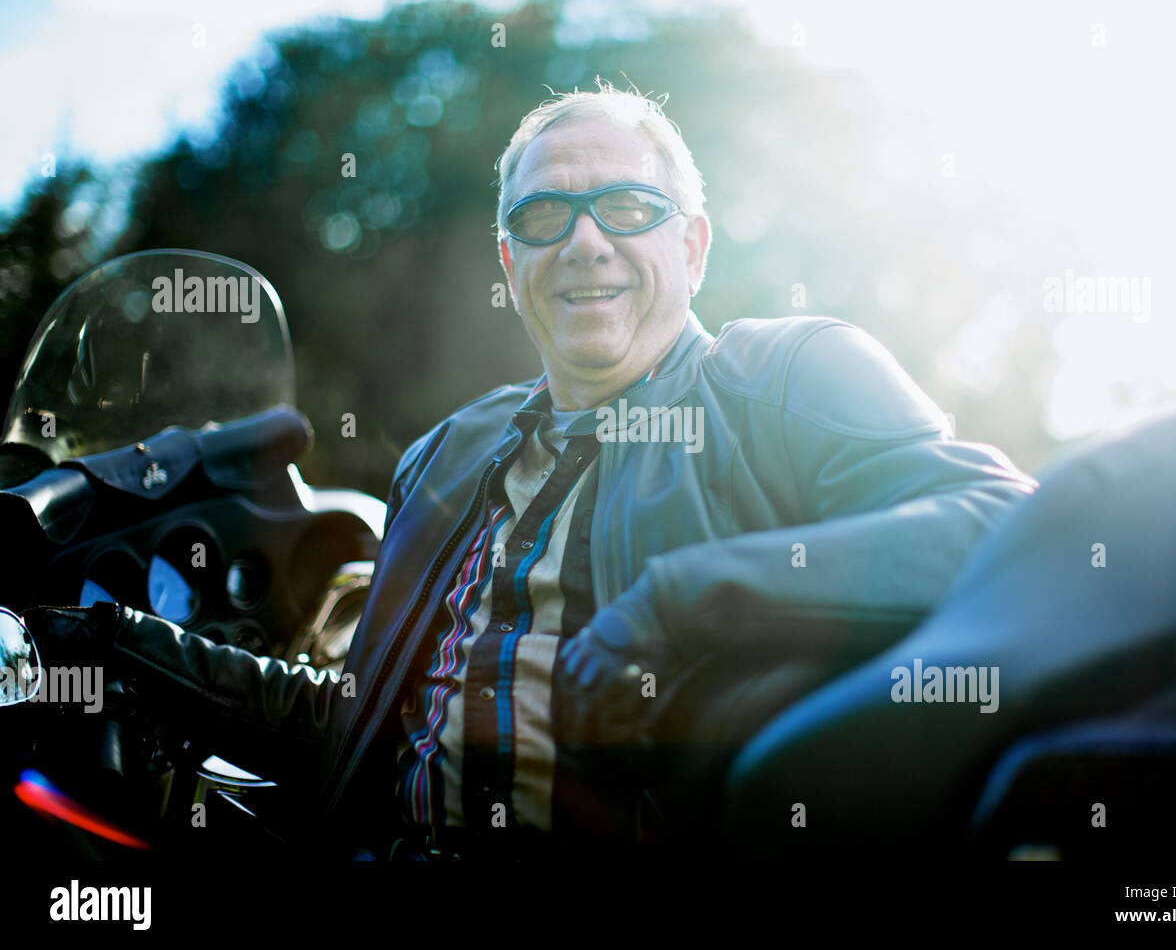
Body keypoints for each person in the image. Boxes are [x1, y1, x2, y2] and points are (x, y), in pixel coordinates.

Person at [25, 83, 1037, 859]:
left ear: (690, 245)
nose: (585, 240)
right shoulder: (451, 452)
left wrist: (693, 599)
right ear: (511, 268)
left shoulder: (783, 377)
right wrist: (113, 642)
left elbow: (1004, 530)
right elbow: (372, 720)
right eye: (544, 218)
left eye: (626, 207)